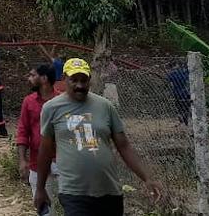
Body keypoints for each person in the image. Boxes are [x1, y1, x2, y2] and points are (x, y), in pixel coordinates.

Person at [34, 58, 163, 216]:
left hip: (109, 191)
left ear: (89, 80)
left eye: (84, 80)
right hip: (73, 193)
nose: (79, 85)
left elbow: (124, 146)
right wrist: (40, 188)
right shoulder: (51, 108)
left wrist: (147, 178)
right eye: (74, 80)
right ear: (64, 78)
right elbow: (45, 150)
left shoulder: (105, 106)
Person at [17, 63, 59, 216]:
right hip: (37, 162)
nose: (29, 78)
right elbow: (23, 131)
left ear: (44, 78)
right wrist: (22, 160)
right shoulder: (28, 102)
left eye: (32, 75)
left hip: (62, 161)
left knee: (71, 204)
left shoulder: (62, 101)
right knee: (44, 208)